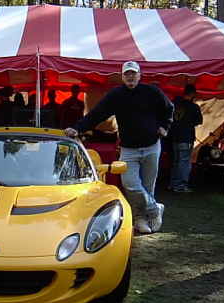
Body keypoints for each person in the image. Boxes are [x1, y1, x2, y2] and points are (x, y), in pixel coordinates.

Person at [65, 61, 174, 234]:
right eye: (127, 74)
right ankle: (154, 209)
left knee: (147, 185)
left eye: (134, 73)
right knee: (130, 184)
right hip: (128, 149)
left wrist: (165, 126)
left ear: (140, 75)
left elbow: (169, 108)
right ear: (122, 76)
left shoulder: (152, 92)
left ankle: (141, 220)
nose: (130, 77)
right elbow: (97, 114)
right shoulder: (116, 95)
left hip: (152, 146)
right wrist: (78, 128)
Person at [169, 84, 203, 193]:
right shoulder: (194, 107)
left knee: (176, 162)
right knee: (184, 162)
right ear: (193, 94)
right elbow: (199, 121)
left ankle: (172, 184)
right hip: (186, 138)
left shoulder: (175, 104)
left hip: (175, 138)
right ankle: (180, 186)